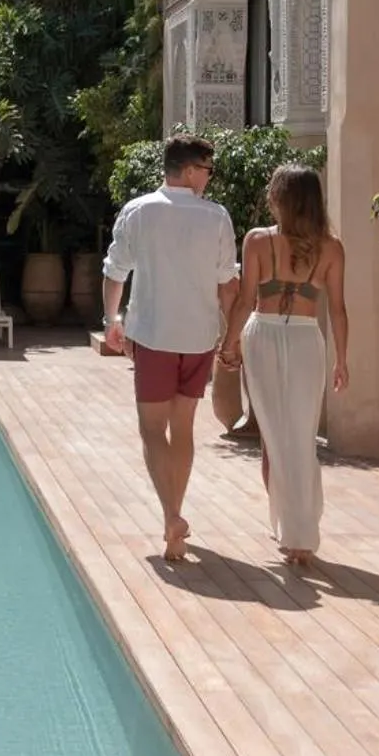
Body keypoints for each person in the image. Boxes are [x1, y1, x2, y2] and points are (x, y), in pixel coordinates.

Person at [102, 135, 239, 562]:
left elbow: (115, 271)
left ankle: (171, 516)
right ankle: (173, 527)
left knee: (150, 430)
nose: (210, 179)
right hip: (198, 338)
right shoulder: (217, 217)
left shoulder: (139, 211)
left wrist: (112, 320)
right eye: (208, 170)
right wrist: (230, 337)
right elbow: (228, 285)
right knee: (182, 430)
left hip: (155, 336)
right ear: (191, 169)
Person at [217, 164, 348, 567]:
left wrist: (228, 345)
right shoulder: (332, 247)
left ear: (281, 198)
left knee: (274, 436)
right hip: (308, 340)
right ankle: (297, 529)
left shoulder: (258, 241)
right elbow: (339, 311)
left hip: (264, 337)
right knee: (300, 436)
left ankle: (291, 530)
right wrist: (342, 359)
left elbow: (243, 301)